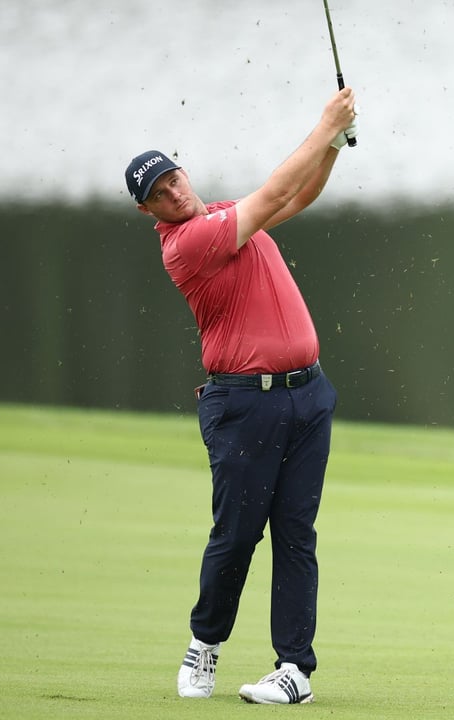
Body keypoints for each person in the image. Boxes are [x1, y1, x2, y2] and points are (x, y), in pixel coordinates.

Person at [125, 87, 358, 703]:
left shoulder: (224, 214)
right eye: (159, 195)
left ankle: (294, 671)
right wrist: (325, 123)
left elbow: (300, 194)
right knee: (237, 533)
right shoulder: (188, 245)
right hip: (242, 404)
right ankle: (205, 646)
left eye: (173, 178)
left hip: (308, 398)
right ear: (150, 212)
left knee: (295, 534)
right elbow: (279, 191)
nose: (174, 192)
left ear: (182, 170)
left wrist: (333, 146)